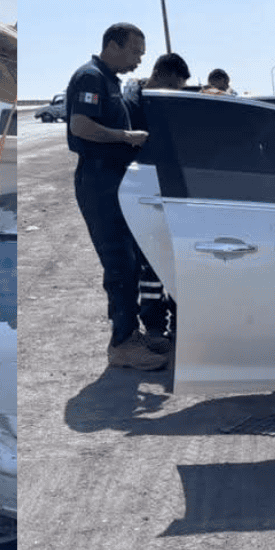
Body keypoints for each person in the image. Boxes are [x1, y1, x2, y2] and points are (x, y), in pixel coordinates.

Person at [67, 23, 169, 371]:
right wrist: (127, 137)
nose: (140, 59)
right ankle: (122, 344)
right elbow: (79, 125)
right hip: (99, 179)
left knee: (127, 259)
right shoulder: (90, 77)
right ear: (113, 45)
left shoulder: (110, 80)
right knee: (119, 263)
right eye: (135, 52)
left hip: (114, 179)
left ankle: (129, 335)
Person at [121, 52, 190, 349]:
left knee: (176, 263)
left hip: (174, 192)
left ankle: (178, 325)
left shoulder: (157, 101)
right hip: (145, 193)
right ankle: (154, 327)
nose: (177, 94)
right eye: (175, 85)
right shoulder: (133, 104)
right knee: (150, 266)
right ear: (161, 74)